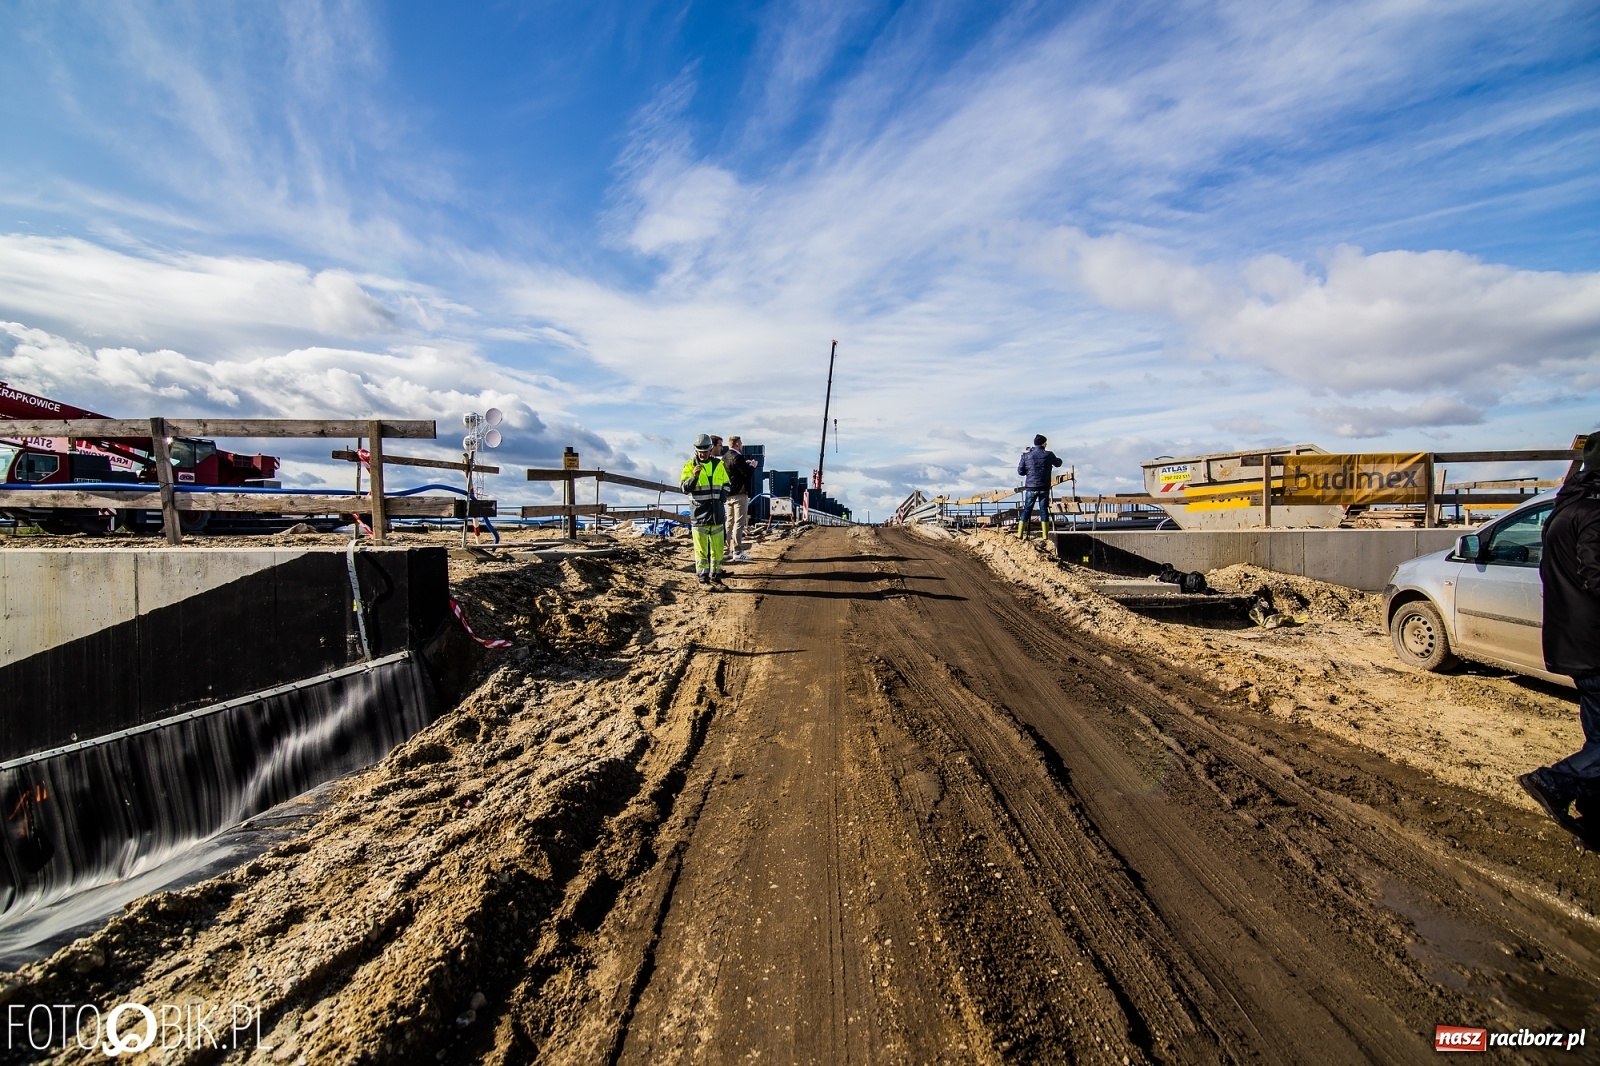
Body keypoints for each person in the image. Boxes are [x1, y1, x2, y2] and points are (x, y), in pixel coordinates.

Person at [1521, 433, 1600, 837]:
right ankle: (1555, 780)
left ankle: (1592, 806)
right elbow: (1597, 577)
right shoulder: (1593, 514)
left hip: (1573, 640)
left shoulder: (1564, 509)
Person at [681, 433, 731, 587]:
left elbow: (727, 484)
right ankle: (703, 577)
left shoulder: (719, 465)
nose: (702, 453)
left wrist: (721, 498)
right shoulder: (690, 466)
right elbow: (684, 487)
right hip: (699, 514)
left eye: (705, 450)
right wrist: (694, 477)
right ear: (696, 451)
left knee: (717, 548)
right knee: (701, 549)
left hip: (716, 514)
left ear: (710, 450)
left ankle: (717, 574)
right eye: (700, 451)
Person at [1016, 434, 1063, 540]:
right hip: (1044, 487)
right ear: (1044, 443)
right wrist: (1058, 459)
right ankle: (1045, 536)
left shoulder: (1026, 455)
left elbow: (1020, 472)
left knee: (1027, 509)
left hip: (1031, 487)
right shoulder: (1048, 454)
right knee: (1044, 510)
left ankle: (1019, 535)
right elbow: (1058, 463)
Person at [723, 435, 758, 561]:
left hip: (729, 494)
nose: (742, 445)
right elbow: (746, 474)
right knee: (739, 523)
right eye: (741, 443)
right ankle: (737, 551)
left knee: (729, 522)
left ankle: (726, 551)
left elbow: (735, 471)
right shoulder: (738, 457)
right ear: (737, 444)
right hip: (740, 494)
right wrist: (752, 465)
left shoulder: (725, 457)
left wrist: (745, 464)